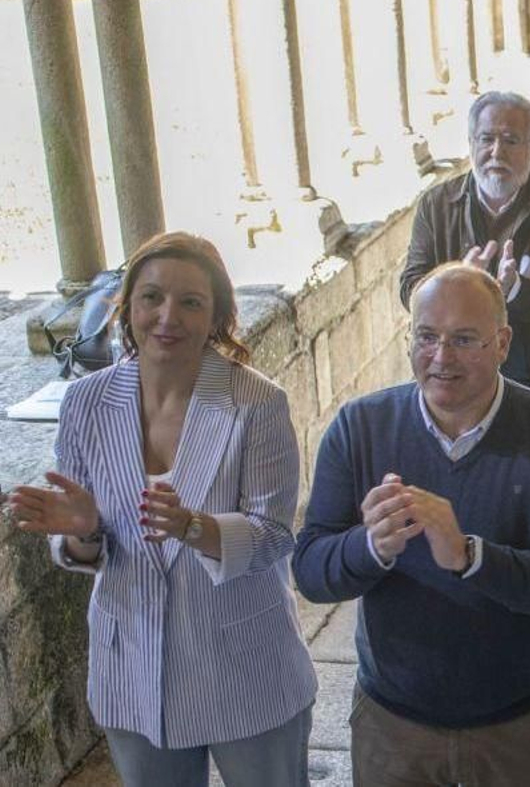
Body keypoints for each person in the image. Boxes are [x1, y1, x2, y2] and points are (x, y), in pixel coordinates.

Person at [4, 232, 316, 787]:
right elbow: (81, 542)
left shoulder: (257, 403)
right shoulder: (88, 402)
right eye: (152, 297)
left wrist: (196, 528)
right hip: (133, 666)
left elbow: (272, 535)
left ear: (216, 314)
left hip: (244, 663)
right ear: (128, 306)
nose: (167, 316)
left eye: (190, 302)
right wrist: (84, 531)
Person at [293, 263, 530, 786]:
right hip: (395, 726)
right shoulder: (360, 426)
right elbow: (309, 572)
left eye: (464, 339)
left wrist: (469, 556)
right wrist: (370, 547)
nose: (441, 358)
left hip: (521, 724)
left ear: (503, 343)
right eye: (427, 337)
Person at [401, 91, 530, 401]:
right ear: (471, 143)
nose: (496, 152)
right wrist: (457, 283)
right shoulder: (436, 205)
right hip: (452, 374)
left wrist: (516, 290)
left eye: (510, 140)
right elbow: (409, 287)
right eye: (486, 139)